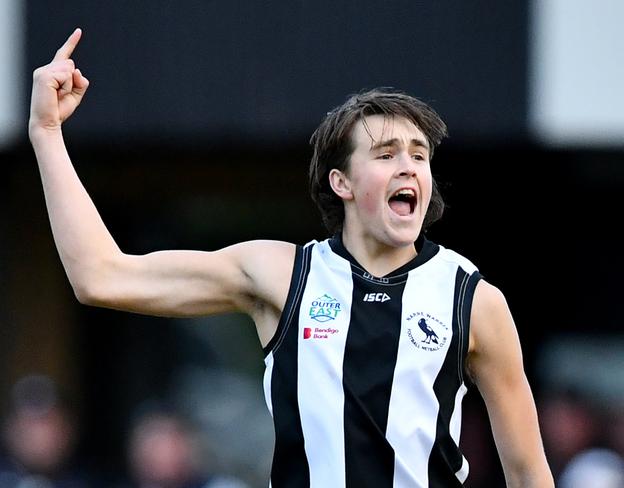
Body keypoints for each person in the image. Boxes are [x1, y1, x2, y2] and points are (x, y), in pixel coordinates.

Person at [29, 28, 554, 487]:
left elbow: (530, 474)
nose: (409, 167)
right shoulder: (283, 275)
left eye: (419, 155)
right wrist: (47, 133)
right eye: (387, 154)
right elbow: (100, 276)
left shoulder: (474, 298)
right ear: (341, 182)